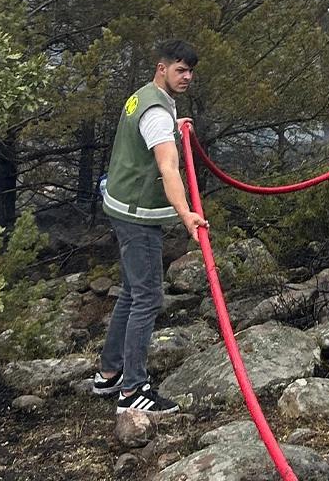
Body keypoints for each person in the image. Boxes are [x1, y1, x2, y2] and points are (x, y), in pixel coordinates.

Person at [91, 40, 208, 414]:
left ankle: (109, 373)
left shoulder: (144, 97)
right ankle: (133, 391)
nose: (187, 77)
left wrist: (176, 125)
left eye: (190, 71)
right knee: (147, 297)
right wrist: (186, 212)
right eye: (180, 70)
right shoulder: (156, 113)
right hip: (137, 215)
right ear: (162, 68)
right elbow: (168, 166)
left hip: (120, 204)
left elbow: (152, 132)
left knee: (131, 291)